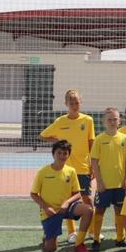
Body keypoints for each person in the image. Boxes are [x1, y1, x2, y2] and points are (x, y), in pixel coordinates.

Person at [39, 89, 95, 241]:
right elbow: (42, 135)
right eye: (71, 103)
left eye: (77, 103)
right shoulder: (60, 121)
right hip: (66, 170)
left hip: (83, 167)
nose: (75, 106)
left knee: (87, 199)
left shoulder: (87, 120)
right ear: (66, 104)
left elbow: (91, 143)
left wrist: (93, 165)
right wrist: (59, 142)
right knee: (68, 199)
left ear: (80, 103)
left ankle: (92, 231)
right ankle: (72, 233)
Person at [31, 139, 94, 252]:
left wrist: (66, 203)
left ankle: (79, 244)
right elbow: (33, 194)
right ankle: (47, 237)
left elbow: (77, 193)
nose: (62, 156)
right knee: (51, 249)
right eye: (59, 153)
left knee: (88, 210)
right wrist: (46, 207)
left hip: (67, 207)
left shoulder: (71, 171)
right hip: (51, 211)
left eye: (65, 153)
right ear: (53, 154)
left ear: (68, 155)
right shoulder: (43, 172)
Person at [89, 107, 126, 251]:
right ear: (104, 122)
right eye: (110, 119)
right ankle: (96, 239)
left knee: (119, 210)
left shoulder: (124, 138)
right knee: (99, 210)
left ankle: (120, 238)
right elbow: (94, 160)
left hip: (119, 183)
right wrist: (99, 181)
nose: (113, 122)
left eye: (115, 119)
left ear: (119, 121)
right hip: (104, 185)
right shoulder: (99, 139)